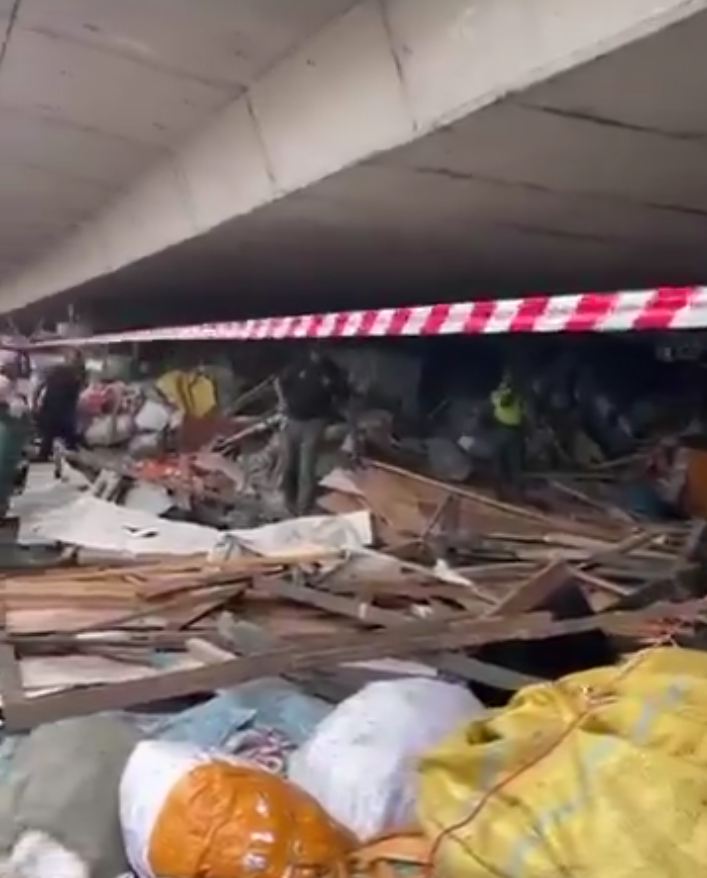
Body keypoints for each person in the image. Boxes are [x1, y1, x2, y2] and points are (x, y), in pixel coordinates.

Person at [277, 347, 355, 516]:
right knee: (289, 464)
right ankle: (288, 503)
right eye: (318, 348)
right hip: (293, 419)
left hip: (315, 422)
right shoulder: (299, 365)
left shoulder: (331, 370)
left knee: (306, 467)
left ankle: (302, 509)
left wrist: (348, 424)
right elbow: (279, 382)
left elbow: (344, 394)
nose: (320, 352)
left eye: (324, 347)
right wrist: (283, 402)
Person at [32, 348, 86, 462]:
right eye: (73, 359)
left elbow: (80, 393)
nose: (74, 362)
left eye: (77, 359)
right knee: (49, 436)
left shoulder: (80, 374)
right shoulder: (56, 370)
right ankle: (44, 455)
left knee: (69, 438)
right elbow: (39, 387)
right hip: (51, 409)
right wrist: (35, 403)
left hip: (66, 411)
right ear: (67, 359)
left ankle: (71, 457)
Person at [490, 371, 525, 493]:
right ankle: (501, 489)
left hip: (512, 431)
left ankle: (514, 489)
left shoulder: (514, 395)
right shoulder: (502, 395)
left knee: (512, 461)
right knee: (502, 461)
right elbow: (505, 402)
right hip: (503, 429)